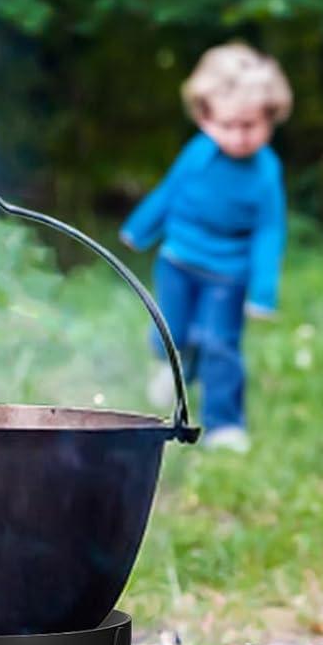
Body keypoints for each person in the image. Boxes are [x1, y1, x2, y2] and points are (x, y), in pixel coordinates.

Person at [121, 42, 291, 452]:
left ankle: (225, 424)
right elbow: (171, 191)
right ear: (204, 116)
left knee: (220, 345)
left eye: (250, 126)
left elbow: (270, 230)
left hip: (228, 273)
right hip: (178, 260)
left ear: (270, 118)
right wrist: (141, 228)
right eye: (226, 125)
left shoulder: (265, 171)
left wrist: (263, 291)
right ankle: (172, 367)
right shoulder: (199, 153)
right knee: (171, 331)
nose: (238, 137)